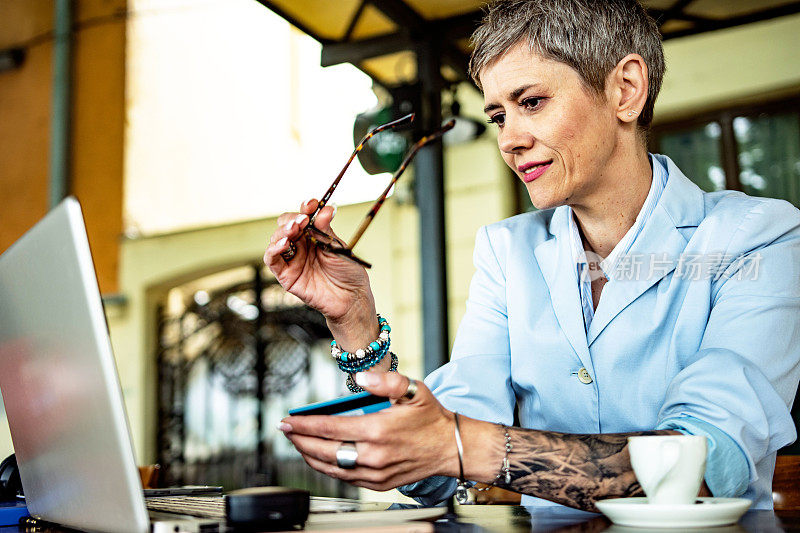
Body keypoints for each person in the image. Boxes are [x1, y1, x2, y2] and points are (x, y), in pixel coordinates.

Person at [263, 0, 800, 512]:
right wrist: (354, 319)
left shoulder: (758, 238)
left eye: (532, 102)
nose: (509, 140)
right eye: (498, 116)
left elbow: (699, 467)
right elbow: (429, 470)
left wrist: (462, 445)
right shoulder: (507, 252)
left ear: (626, 89)